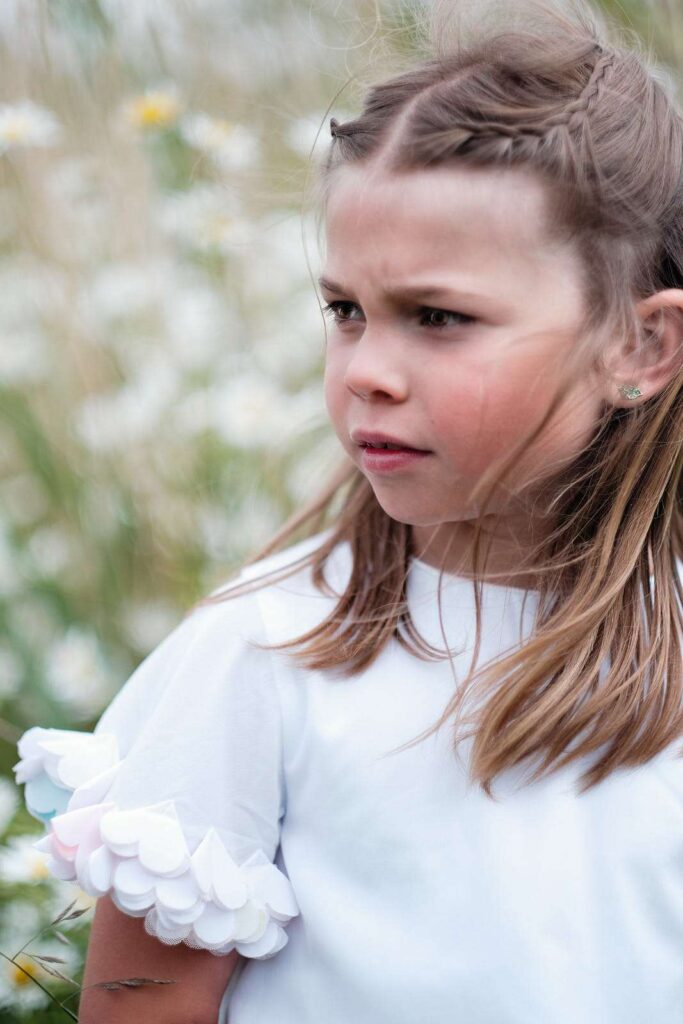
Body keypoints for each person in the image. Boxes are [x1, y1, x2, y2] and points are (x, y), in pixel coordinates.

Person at [12, 0, 683, 1021]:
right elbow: (142, 1003)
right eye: (344, 312)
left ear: (639, 349)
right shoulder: (270, 652)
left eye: (437, 318)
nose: (365, 370)